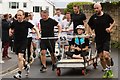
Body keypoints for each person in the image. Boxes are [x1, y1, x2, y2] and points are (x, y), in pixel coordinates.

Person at [9, 9, 40, 79]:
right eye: (17, 15)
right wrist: (10, 32)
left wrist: (38, 35)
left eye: (20, 15)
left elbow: (35, 28)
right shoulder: (14, 22)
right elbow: (11, 28)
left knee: (20, 57)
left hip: (23, 41)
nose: (18, 16)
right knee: (20, 58)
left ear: (23, 16)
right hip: (16, 42)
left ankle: (19, 73)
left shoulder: (26, 23)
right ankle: (26, 65)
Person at [88, 3, 115, 78]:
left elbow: (113, 22)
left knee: (106, 56)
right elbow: (89, 26)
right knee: (101, 57)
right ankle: (106, 71)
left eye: (97, 8)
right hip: (98, 40)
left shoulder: (106, 16)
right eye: (94, 8)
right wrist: (92, 33)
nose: (96, 10)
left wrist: (110, 28)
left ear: (101, 8)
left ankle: (109, 69)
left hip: (106, 38)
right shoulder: (93, 17)